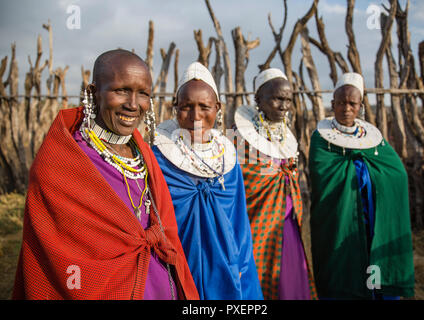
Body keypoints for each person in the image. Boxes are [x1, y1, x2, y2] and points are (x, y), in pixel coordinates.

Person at [13, 49, 199, 300]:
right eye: (121, 90)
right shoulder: (62, 163)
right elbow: (59, 256)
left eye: (143, 93)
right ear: (93, 93)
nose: (133, 104)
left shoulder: (142, 154)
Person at [151, 62, 263, 300]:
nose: (196, 117)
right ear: (175, 107)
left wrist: (240, 266)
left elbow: (239, 221)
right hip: (176, 270)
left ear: (218, 108)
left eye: (204, 107)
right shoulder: (159, 159)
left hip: (227, 269)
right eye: (186, 107)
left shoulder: (228, 161)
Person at [308, 72, 415, 300]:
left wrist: (369, 173)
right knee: (344, 263)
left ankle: (376, 293)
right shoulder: (320, 138)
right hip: (341, 219)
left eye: (352, 103)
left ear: (360, 105)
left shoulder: (373, 139)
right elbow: (322, 173)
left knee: (372, 258)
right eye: (341, 103)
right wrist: (356, 168)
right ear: (332, 104)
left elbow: (396, 173)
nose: (346, 108)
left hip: (373, 216)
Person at [233, 68, 316, 300]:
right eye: (277, 98)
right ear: (258, 99)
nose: (284, 105)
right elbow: (243, 181)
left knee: (289, 282)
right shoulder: (240, 138)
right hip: (257, 223)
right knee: (260, 277)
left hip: (288, 225)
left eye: (288, 99)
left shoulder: (285, 136)